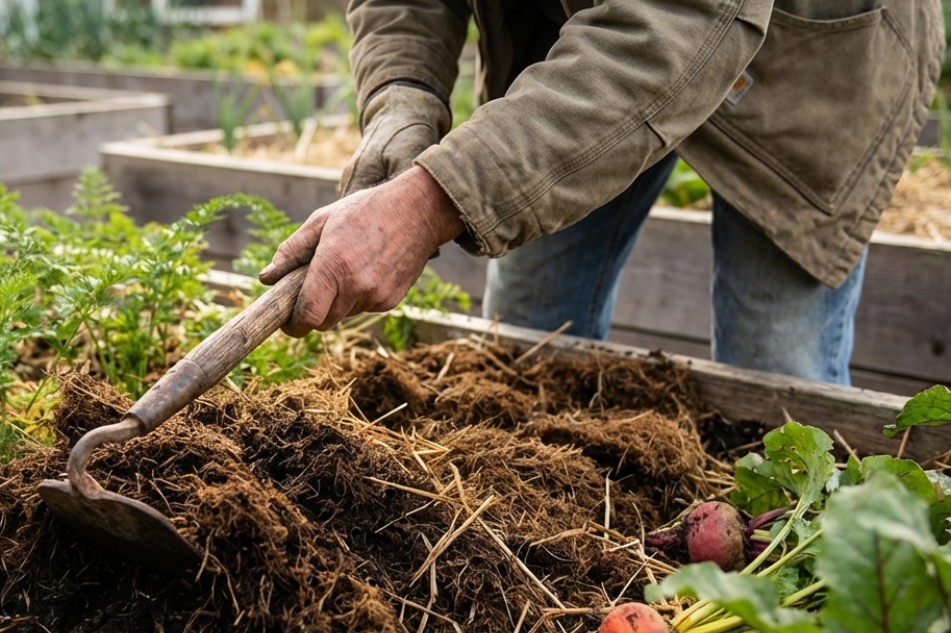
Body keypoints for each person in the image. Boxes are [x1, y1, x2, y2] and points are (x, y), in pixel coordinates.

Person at [259, 0, 944, 385]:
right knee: (524, 345)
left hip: (798, 70)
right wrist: (401, 98)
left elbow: (675, 25)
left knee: (778, 375)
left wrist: (429, 201)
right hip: (578, 55)